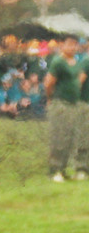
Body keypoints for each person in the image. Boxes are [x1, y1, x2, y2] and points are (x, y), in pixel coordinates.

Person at [44, 35, 85, 182]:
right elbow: (48, 82)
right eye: (70, 44)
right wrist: (50, 98)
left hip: (73, 105)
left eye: (75, 44)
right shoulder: (58, 61)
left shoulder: (76, 61)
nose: (73, 47)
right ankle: (54, 171)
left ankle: (62, 169)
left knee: (69, 138)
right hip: (61, 103)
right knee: (59, 138)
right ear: (62, 45)